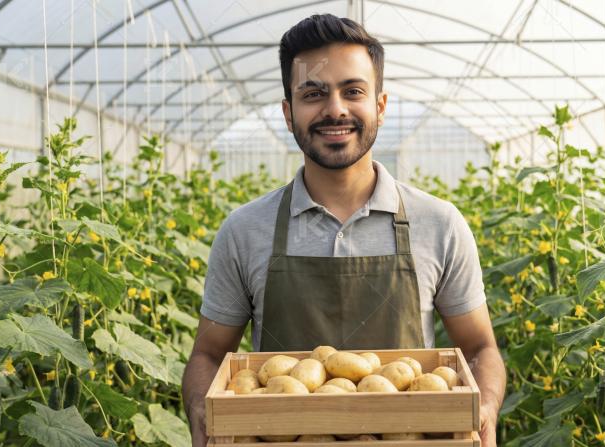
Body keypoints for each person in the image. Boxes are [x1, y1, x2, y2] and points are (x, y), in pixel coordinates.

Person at [182, 14, 506, 447]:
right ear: (288, 111)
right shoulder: (244, 231)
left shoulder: (440, 223)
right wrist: (204, 412)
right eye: (313, 94)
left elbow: (480, 349)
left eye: (352, 91)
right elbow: (208, 354)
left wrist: (482, 406)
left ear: (380, 105)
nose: (334, 109)